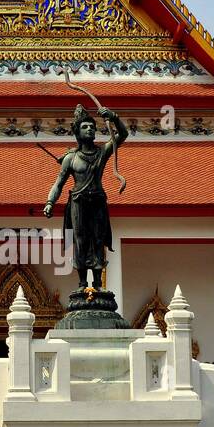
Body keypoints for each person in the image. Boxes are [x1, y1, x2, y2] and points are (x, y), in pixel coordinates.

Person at [43, 103, 129, 289]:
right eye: (85, 127)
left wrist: (113, 116)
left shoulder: (102, 152)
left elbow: (123, 135)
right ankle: (82, 283)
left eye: (92, 126)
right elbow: (59, 183)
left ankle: (97, 283)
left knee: (98, 240)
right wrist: (50, 202)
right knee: (80, 240)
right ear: (77, 133)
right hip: (78, 202)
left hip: (97, 200)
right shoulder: (71, 158)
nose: (89, 129)